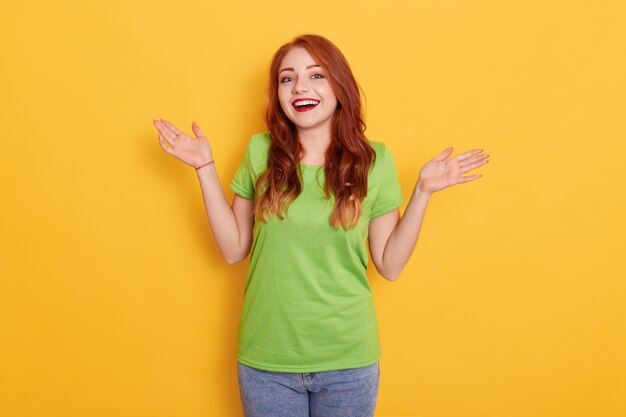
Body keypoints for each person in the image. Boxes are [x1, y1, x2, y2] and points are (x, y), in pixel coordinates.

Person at [152, 33, 489, 417]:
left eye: (316, 75)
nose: (300, 87)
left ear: (338, 86)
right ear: (277, 92)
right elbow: (233, 250)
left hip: (348, 360)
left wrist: (423, 192)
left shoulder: (374, 161)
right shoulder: (259, 151)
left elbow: (390, 265)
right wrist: (204, 168)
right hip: (267, 359)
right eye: (287, 78)